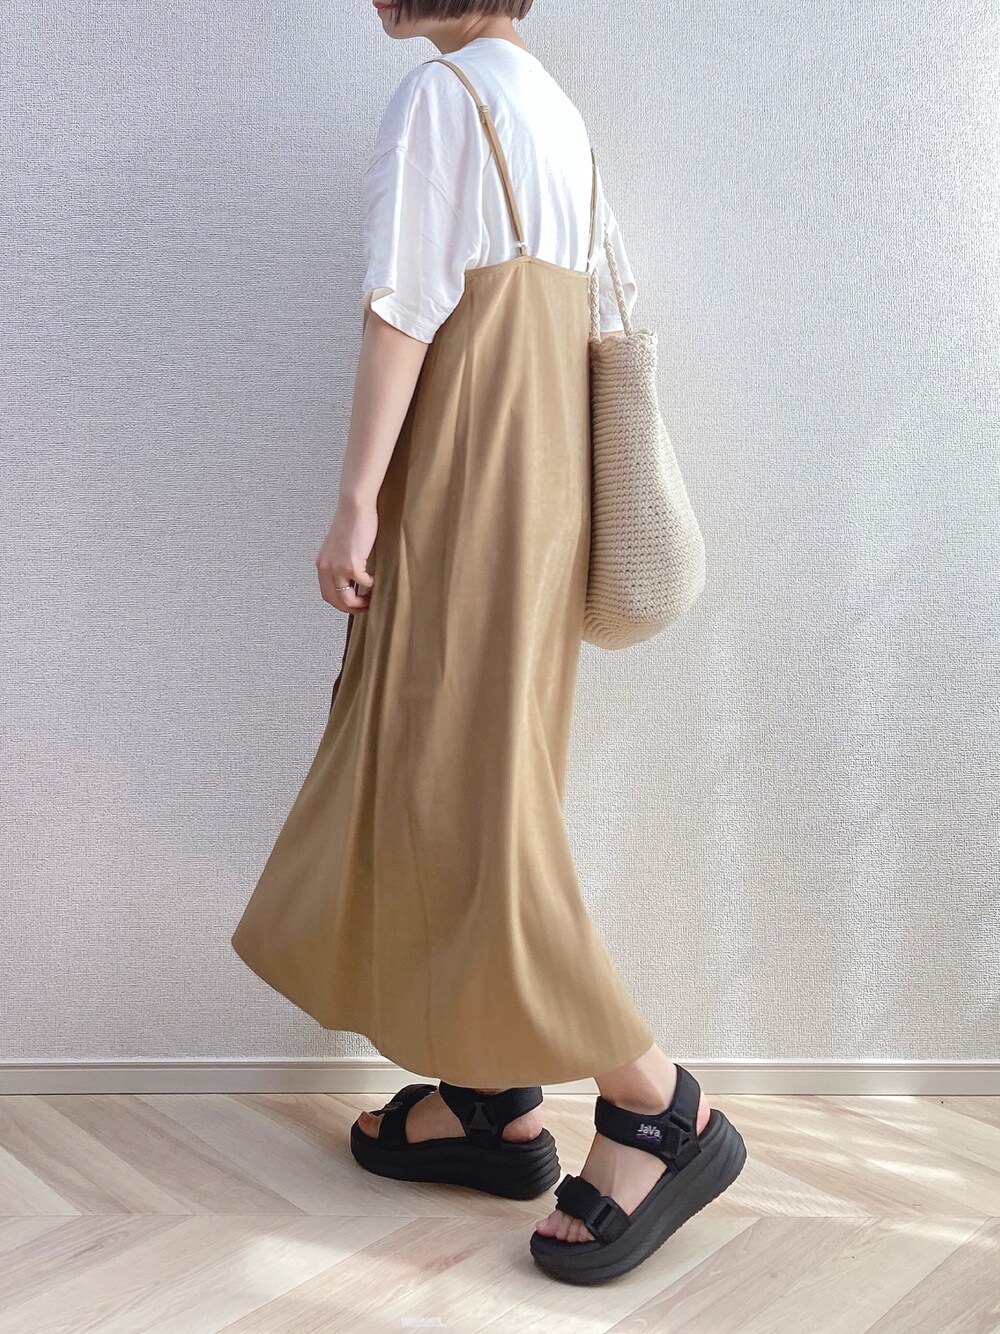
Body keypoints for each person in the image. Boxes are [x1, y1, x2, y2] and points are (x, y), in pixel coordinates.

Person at [230, 0, 746, 1285]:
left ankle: (657, 1105)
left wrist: (357, 500)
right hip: (541, 498)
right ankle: (487, 1095)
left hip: (466, 489)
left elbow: (404, 309)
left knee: (464, 800)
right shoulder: (556, 113)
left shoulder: (442, 100)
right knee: (472, 783)